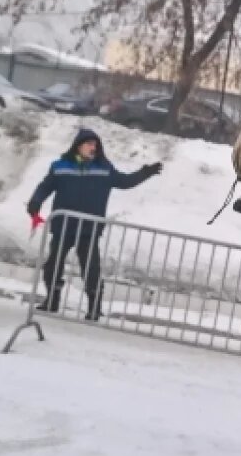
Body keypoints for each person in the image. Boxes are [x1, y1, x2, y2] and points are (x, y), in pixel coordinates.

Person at [26, 128, 163, 320]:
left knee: (91, 269)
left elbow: (125, 181)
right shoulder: (60, 166)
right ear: (78, 146)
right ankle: (52, 299)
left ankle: (94, 306)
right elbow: (45, 187)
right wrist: (35, 202)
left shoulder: (104, 168)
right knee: (53, 264)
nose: (93, 148)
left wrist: (145, 173)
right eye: (89, 144)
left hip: (89, 229)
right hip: (63, 226)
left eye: (96, 145)